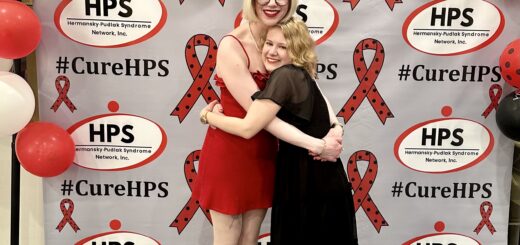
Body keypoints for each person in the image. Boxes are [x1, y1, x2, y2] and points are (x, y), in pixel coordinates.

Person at [191, 1, 344, 245]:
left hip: (265, 156)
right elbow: (258, 120)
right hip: (231, 153)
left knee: (250, 239)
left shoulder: (284, 33)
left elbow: (313, 86)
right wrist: (317, 144)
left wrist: (336, 126)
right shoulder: (233, 45)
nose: (272, 3)